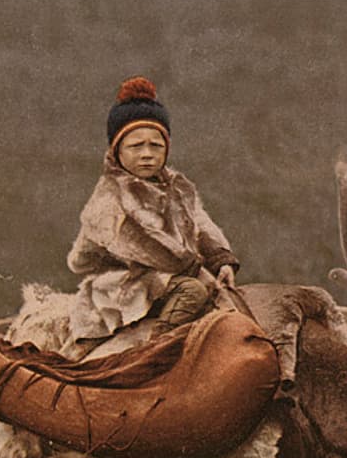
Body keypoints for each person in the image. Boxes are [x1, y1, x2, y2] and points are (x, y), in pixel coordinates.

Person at [67, 76, 240, 344]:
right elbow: (145, 245)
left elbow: (200, 224)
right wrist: (199, 272)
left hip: (171, 274)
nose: (147, 154)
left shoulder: (177, 187)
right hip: (125, 279)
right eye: (136, 146)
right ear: (117, 151)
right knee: (193, 292)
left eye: (156, 146)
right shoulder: (108, 198)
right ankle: (153, 350)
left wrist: (221, 260)